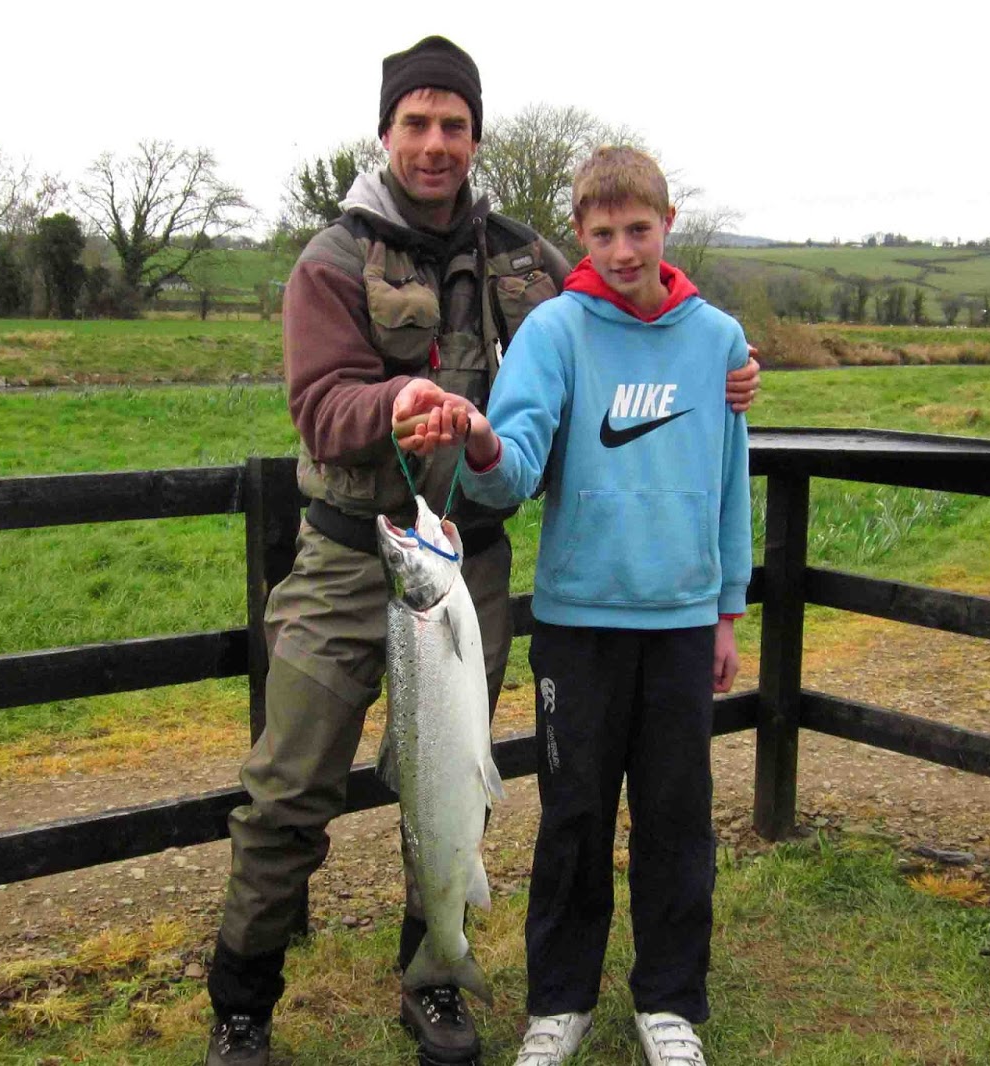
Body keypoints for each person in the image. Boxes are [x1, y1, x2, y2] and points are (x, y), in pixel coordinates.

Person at [203, 37, 760, 1066]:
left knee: (450, 770)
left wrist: (720, 362)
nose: (434, 143)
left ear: (474, 136)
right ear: (384, 132)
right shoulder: (331, 259)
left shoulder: (525, 257)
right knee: (289, 788)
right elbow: (320, 408)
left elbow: (623, 309)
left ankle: (439, 981)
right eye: (415, 123)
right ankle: (242, 1002)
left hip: (470, 563)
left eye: (452, 124)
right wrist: (398, 402)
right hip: (343, 554)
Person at [415, 145, 752, 1066]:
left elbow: (731, 484)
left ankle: (670, 1004)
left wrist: (727, 610)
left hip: (682, 625)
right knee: (574, 817)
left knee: (678, 817)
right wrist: (481, 444)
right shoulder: (555, 333)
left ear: (667, 223)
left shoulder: (717, 341)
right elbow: (516, 464)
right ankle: (556, 1004)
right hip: (578, 627)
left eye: (638, 229)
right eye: (602, 233)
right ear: (580, 236)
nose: (623, 249)